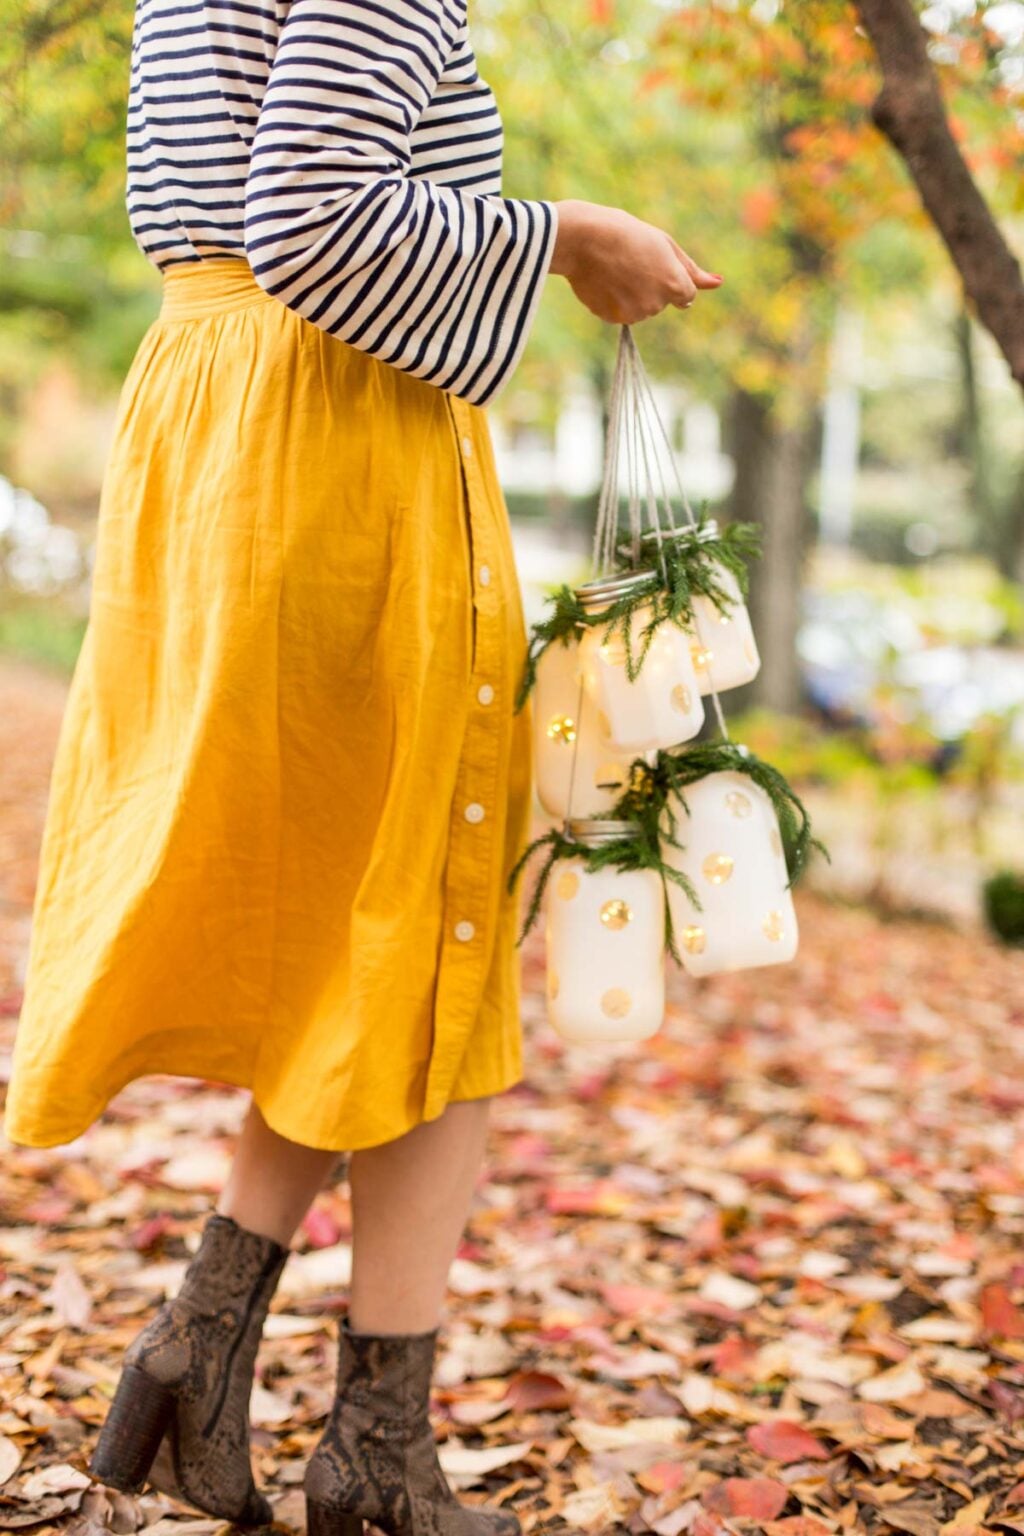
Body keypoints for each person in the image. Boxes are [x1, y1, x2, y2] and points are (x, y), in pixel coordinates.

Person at [3, 1, 722, 1531]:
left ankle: (213, 1356)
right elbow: (317, 216)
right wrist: (566, 233)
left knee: (376, 928)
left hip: (229, 430)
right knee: (433, 918)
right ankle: (372, 1458)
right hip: (338, 447)